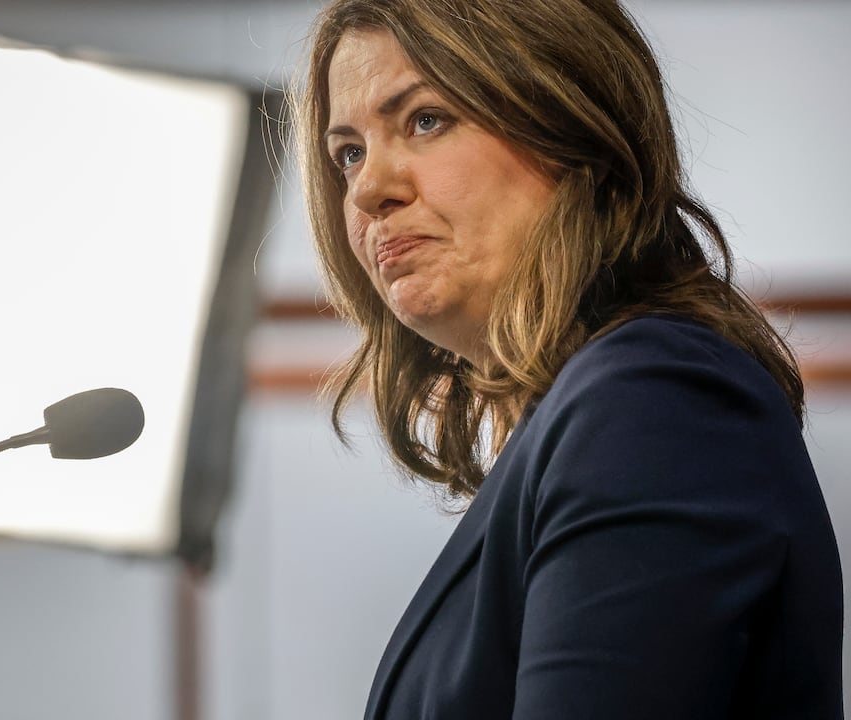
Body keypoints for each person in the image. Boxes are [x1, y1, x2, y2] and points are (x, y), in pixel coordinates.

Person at [292, 0, 844, 718]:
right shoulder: (602, 410)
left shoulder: (656, 402)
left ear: (566, 122)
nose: (366, 190)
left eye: (425, 120)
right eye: (349, 153)